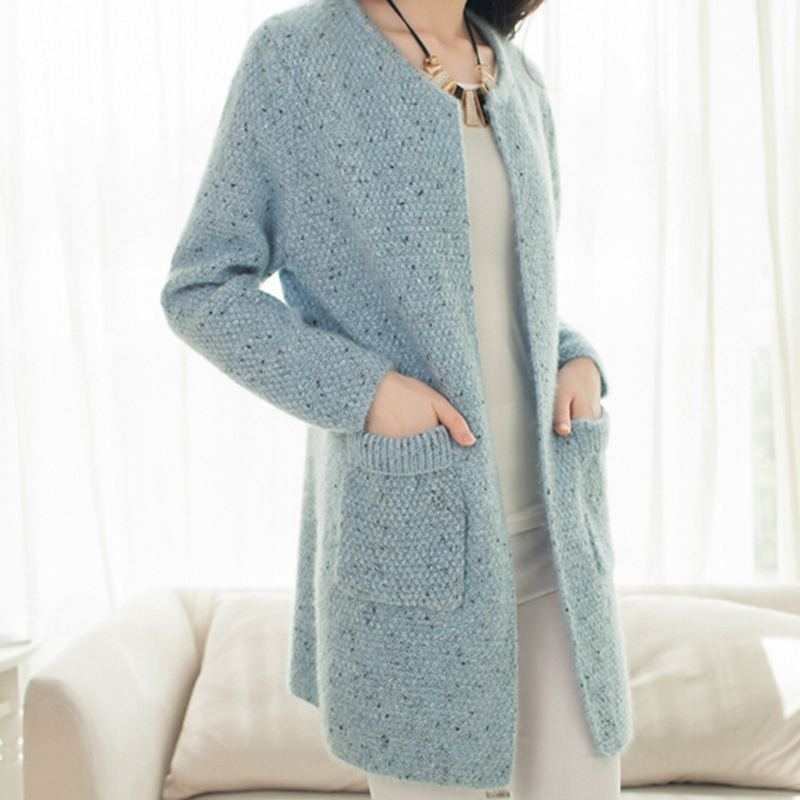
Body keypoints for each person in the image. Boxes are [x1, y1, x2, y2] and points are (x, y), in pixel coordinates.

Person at [160, 0, 634, 798]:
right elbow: (202, 288)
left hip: (557, 547)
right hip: (416, 548)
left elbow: (500, 295)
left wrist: (575, 357)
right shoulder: (297, 60)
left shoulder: (517, 77)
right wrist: (369, 392)